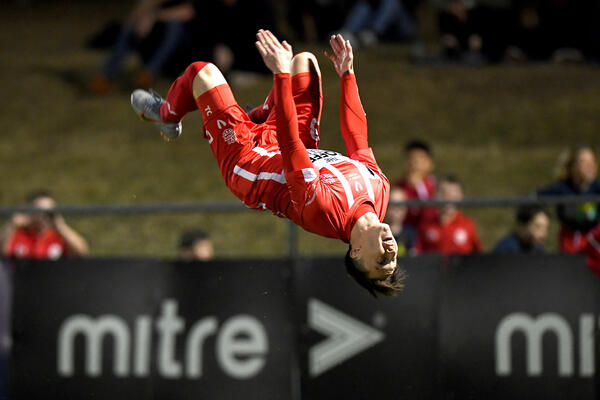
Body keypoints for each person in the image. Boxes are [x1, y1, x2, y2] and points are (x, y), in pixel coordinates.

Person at [130, 30, 404, 297]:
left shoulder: (322, 211)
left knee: (202, 73)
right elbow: (357, 137)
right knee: (305, 62)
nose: (390, 252)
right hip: (292, 146)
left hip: (249, 165)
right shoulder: (380, 190)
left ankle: (167, 115)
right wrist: (347, 74)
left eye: (381, 261)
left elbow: (290, 145)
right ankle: (259, 116)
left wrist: (280, 77)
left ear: (355, 252)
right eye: (393, 259)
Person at [537, 146, 600, 254]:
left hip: (594, 237)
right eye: (584, 162)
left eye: (592, 161)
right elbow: (533, 198)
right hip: (569, 240)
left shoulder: (597, 187)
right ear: (572, 167)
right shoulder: (562, 189)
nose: (590, 166)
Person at [2, 190, 89, 260]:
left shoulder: (59, 237)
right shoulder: (19, 234)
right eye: (40, 211)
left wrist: (61, 226)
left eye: (50, 212)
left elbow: (81, 252)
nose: (45, 216)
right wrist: (13, 225)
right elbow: (3, 254)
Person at [415, 175, 482, 255]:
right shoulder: (425, 225)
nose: (448, 198)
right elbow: (417, 255)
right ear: (435, 195)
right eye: (443, 193)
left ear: (461, 196)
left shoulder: (468, 225)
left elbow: (478, 256)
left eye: (453, 194)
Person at [394, 140, 436, 229]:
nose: (414, 163)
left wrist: (419, 187)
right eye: (410, 158)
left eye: (420, 159)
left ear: (430, 163)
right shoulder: (397, 187)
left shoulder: (435, 187)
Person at [385, 187, 416, 256]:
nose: (396, 210)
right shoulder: (378, 233)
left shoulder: (410, 233)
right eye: (393, 205)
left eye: (400, 205)